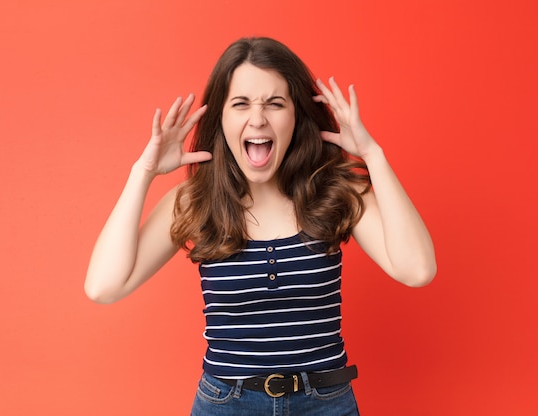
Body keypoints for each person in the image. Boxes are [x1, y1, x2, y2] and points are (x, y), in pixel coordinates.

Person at [85, 37, 436, 415]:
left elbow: (417, 270)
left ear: (296, 115)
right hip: (226, 403)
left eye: (275, 103)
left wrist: (373, 155)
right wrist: (144, 172)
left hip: (325, 403)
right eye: (241, 104)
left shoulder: (333, 191)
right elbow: (103, 287)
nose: (258, 118)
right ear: (221, 117)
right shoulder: (196, 201)